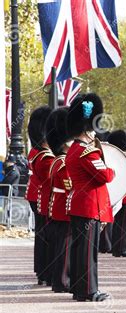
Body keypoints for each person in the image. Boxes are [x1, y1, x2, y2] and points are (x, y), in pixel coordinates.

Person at [65, 93, 114, 302]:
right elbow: (105, 176)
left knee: (79, 249)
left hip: (79, 204)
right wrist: (111, 169)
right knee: (87, 251)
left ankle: (78, 288)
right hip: (89, 206)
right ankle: (89, 290)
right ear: (86, 129)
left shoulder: (74, 150)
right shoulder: (87, 152)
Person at [46, 107, 72, 293]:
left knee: (61, 245)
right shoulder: (63, 162)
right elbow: (70, 185)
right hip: (63, 207)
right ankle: (61, 281)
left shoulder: (58, 160)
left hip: (58, 206)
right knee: (64, 247)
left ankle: (59, 280)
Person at [26, 106, 52, 285]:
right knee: (47, 235)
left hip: (37, 195)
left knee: (43, 234)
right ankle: (46, 270)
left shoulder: (36, 150)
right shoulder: (43, 153)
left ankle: (42, 270)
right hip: (43, 196)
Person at [107, 130, 126, 258]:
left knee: (117, 222)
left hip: (117, 192)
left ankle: (116, 247)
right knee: (123, 223)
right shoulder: (123, 157)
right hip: (124, 193)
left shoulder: (115, 156)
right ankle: (120, 248)